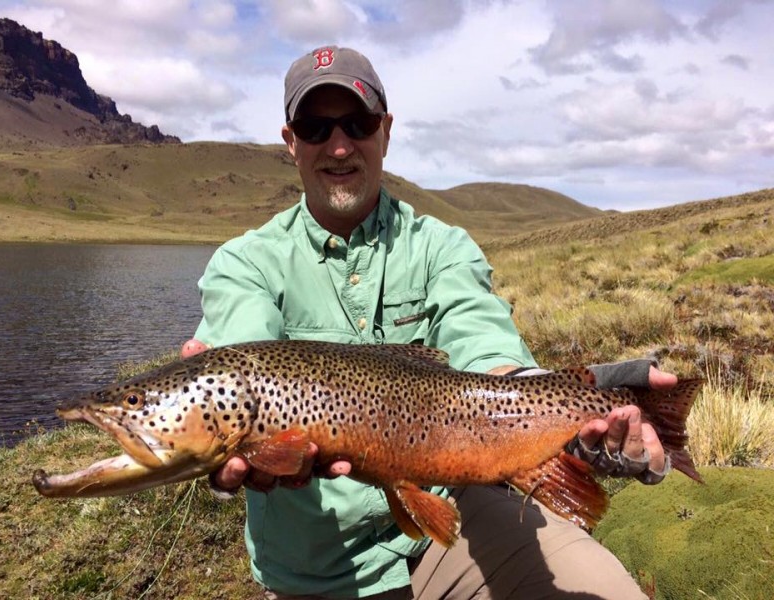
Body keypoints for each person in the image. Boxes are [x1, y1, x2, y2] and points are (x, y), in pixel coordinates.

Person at [182, 45, 673, 599]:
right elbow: (240, 356)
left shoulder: (442, 248)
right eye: (315, 127)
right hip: (317, 565)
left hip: (458, 517)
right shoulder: (244, 262)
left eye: (358, 123)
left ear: (385, 131)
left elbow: (487, 348)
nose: (339, 145)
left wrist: (583, 420)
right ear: (290, 141)